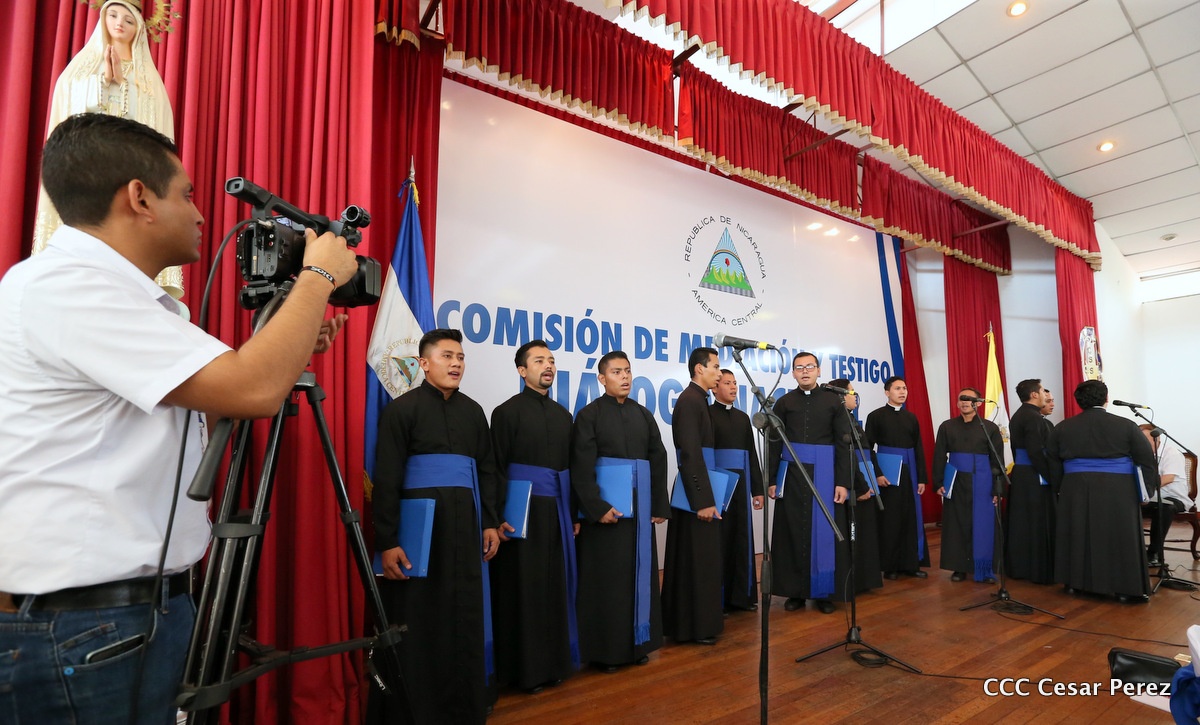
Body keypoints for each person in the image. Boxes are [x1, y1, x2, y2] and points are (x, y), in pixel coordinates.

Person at [0, 113, 354, 725]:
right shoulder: (70, 288)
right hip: (83, 625)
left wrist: (290, 340)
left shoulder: (122, 298)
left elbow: (228, 386)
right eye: (187, 194)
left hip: (118, 617)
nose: (200, 214)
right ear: (139, 197)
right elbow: (252, 389)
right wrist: (318, 275)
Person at [372, 328, 503, 724]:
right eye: (447, 356)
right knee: (420, 614)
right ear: (424, 363)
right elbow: (387, 479)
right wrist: (388, 541)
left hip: (467, 528)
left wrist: (490, 523)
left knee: (464, 613)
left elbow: (488, 471)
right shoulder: (401, 410)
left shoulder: (474, 412)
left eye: (460, 357)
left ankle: (464, 704)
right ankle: (419, 707)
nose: (456, 363)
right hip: (420, 534)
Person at [34, 0, 184, 298]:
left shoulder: (148, 81)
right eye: (113, 15)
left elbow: (151, 129)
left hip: (128, 171)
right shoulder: (82, 69)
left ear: (138, 28)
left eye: (128, 20)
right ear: (103, 18)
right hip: (87, 167)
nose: (119, 23)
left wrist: (123, 84)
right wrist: (102, 83)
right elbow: (70, 115)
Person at [489, 340, 578, 693]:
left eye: (551, 360)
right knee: (523, 590)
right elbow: (495, 468)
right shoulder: (506, 412)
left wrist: (573, 512)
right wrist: (496, 516)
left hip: (557, 510)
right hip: (519, 513)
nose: (548, 366)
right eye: (539, 361)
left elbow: (570, 468)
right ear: (522, 370)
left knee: (554, 586)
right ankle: (525, 671)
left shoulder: (564, 416)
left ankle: (554, 664)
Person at [571, 351, 669, 672]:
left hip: (639, 514)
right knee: (607, 583)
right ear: (602, 378)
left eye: (627, 371)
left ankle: (638, 644)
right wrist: (596, 507)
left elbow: (658, 458)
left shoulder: (643, 414)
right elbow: (581, 467)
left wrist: (658, 504)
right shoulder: (589, 415)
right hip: (605, 515)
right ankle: (606, 653)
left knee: (639, 576)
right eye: (616, 372)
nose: (624, 377)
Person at [1046, 380, 1159, 603]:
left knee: (1078, 534)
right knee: (1119, 536)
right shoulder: (1126, 426)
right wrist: (1145, 491)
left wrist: (1060, 489)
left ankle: (1074, 583)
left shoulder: (1062, 427)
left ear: (1079, 401)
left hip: (1075, 487)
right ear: (1106, 398)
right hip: (1118, 488)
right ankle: (1125, 589)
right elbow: (1147, 460)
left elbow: (1053, 461)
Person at [767, 352, 851, 615]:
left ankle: (824, 593)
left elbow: (843, 444)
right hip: (792, 473)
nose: (805, 371)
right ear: (793, 373)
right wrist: (771, 479)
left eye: (810, 367)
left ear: (818, 371)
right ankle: (796, 592)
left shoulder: (833, 401)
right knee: (792, 532)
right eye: (799, 367)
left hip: (825, 473)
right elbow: (774, 443)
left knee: (824, 533)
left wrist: (843, 482)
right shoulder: (784, 403)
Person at [662, 347, 724, 645]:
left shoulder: (700, 400)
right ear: (699, 369)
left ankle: (696, 624)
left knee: (700, 559)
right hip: (695, 492)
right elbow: (690, 454)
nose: (719, 373)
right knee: (695, 560)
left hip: (701, 486)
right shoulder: (689, 401)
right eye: (715, 367)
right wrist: (703, 501)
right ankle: (693, 626)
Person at [933, 388, 1003, 583]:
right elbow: (939, 455)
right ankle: (959, 567)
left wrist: (997, 488)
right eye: (961, 399)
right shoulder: (947, 426)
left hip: (983, 481)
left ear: (978, 403)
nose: (964, 402)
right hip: (956, 481)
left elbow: (997, 460)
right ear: (957, 403)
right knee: (957, 524)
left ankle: (984, 567)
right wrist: (938, 482)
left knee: (982, 525)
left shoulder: (989, 428)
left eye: (969, 399)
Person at [865, 375, 930, 580]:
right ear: (887, 392)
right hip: (888, 474)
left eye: (904, 388)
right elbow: (868, 449)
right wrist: (877, 474)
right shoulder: (875, 416)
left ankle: (911, 564)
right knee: (890, 520)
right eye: (897, 388)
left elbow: (918, 448)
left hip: (910, 472)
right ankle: (890, 566)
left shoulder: (911, 417)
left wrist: (922, 478)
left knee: (910, 518)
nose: (902, 392)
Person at [709, 369, 764, 612]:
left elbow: (751, 454)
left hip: (742, 485)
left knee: (741, 539)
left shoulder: (743, 418)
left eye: (734, 383)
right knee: (720, 540)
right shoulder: (707, 415)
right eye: (727, 383)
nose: (733, 387)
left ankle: (742, 597)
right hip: (718, 483)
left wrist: (757, 490)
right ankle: (719, 600)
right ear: (714, 388)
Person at [828, 378, 883, 599]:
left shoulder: (852, 419)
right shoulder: (839, 421)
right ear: (840, 396)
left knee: (865, 535)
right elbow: (847, 457)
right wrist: (860, 487)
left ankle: (864, 580)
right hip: (853, 483)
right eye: (851, 392)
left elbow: (866, 451)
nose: (855, 396)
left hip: (864, 480)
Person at [1006, 379, 1055, 584]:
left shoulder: (1020, 414)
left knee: (1023, 522)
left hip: (1022, 473)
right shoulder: (1033, 417)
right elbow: (1035, 452)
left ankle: (1021, 568)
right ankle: (1038, 571)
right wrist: (1052, 477)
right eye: (1043, 391)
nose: (1045, 395)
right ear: (1034, 394)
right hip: (1034, 475)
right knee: (1037, 522)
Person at [1139, 424, 1188, 568]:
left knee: (1164, 508)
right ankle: (1129, 551)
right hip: (1149, 496)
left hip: (1173, 497)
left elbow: (1167, 479)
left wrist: (1144, 490)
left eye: (1145, 440)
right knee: (1123, 506)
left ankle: (1155, 554)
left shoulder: (1171, 453)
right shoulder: (1138, 454)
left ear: (1157, 439)